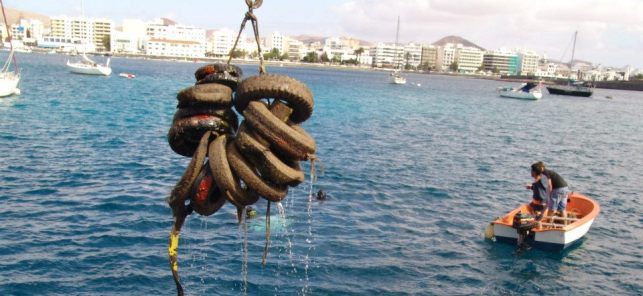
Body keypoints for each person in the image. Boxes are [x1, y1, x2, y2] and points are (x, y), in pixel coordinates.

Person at [530, 161, 571, 227]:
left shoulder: (544, 173)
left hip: (557, 189)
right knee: (562, 209)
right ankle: (565, 226)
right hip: (565, 188)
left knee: (551, 209)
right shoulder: (547, 172)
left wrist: (549, 195)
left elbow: (549, 185)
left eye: (532, 171)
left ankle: (547, 226)